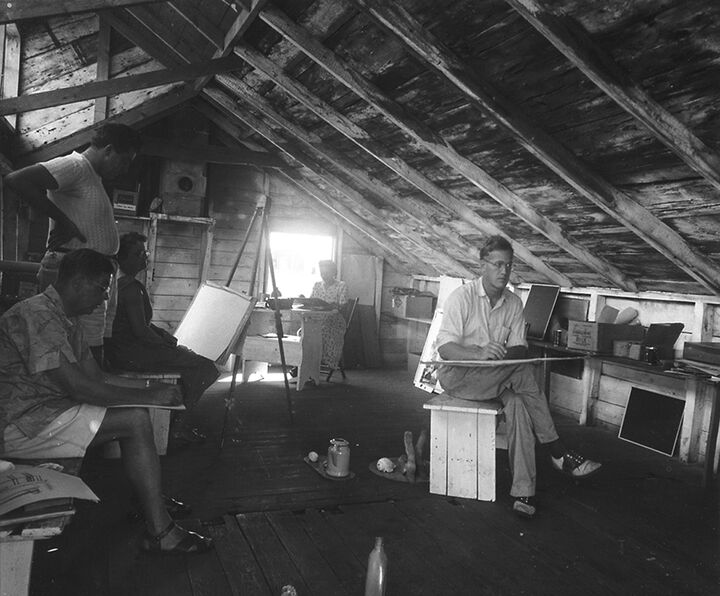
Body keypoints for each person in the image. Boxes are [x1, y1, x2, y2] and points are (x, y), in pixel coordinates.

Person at [0, 249, 213, 554]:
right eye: (101, 288)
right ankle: (161, 531)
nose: (104, 298)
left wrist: (153, 388)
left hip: (44, 413)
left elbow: (97, 377)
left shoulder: (64, 318)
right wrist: (149, 395)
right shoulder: (38, 316)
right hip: (19, 425)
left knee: (135, 413)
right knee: (135, 419)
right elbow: (80, 389)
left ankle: (149, 500)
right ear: (76, 282)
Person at [436, 235, 601, 518]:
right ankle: (557, 450)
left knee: (519, 404)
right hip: (459, 376)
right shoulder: (461, 298)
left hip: (496, 377)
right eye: (497, 264)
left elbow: (519, 348)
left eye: (509, 265)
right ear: (482, 265)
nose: (504, 271)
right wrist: (479, 353)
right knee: (523, 369)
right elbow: (445, 349)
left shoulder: (513, 303)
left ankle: (524, 493)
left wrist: (499, 359)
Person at [3, 123, 142, 364]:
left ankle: (91, 385)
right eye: (124, 161)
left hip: (94, 272)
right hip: (77, 273)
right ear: (108, 150)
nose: (125, 169)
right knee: (79, 349)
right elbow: (17, 179)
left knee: (91, 345)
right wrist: (63, 222)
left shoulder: (91, 176)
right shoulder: (76, 166)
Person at [105, 232, 219, 445]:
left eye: (144, 253)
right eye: (138, 254)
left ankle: (172, 417)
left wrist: (163, 335)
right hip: (131, 353)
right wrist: (168, 345)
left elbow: (142, 325)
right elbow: (141, 331)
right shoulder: (130, 289)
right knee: (206, 367)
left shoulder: (121, 283)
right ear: (123, 258)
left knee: (191, 363)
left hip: (123, 350)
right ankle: (178, 426)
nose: (144, 258)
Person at [309, 260, 349, 369]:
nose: (324, 276)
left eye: (326, 273)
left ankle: (323, 361)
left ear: (333, 272)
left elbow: (343, 306)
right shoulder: (317, 285)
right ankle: (306, 361)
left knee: (323, 330)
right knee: (305, 331)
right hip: (317, 319)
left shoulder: (341, 285)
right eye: (322, 273)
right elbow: (311, 302)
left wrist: (332, 306)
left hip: (335, 320)